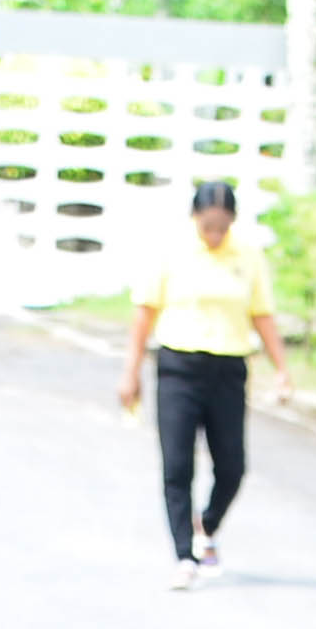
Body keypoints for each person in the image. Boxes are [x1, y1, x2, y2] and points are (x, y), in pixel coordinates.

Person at [114, 176, 287, 590]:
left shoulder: (247, 255)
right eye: (207, 225)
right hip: (179, 367)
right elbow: (144, 314)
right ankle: (184, 556)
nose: (214, 234)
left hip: (228, 368)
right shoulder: (172, 251)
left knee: (232, 466)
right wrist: (130, 372)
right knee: (177, 465)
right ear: (194, 218)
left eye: (222, 227)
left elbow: (262, 314)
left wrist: (282, 368)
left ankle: (205, 526)